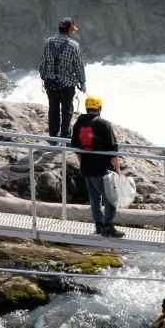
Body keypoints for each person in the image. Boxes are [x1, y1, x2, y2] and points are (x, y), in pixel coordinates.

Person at [70, 96, 124, 238]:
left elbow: (75, 146)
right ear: (100, 108)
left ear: (87, 108)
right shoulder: (104, 124)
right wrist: (118, 170)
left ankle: (99, 226)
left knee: (95, 199)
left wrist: (82, 163)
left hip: (87, 168)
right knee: (111, 199)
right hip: (103, 169)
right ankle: (109, 227)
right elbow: (113, 150)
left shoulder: (79, 123)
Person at [39, 17, 86, 138]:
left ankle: (53, 136)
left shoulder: (48, 42)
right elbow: (79, 66)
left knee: (53, 109)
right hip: (67, 85)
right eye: (73, 30)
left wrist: (45, 77)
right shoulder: (73, 46)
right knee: (67, 110)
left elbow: (42, 63)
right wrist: (82, 82)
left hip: (50, 83)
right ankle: (65, 135)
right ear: (69, 30)